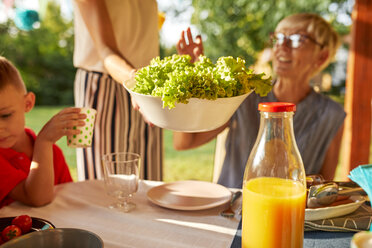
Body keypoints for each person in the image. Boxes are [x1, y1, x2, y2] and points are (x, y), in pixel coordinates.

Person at [174, 13, 346, 188]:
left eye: (296, 39)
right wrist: (190, 82)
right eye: (278, 38)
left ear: (322, 57)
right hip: (230, 212)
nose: (281, 46)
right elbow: (185, 142)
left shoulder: (332, 115)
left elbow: (322, 190)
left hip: (287, 214)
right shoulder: (244, 95)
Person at [73, 0, 163, 181]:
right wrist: (134, 80)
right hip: (99, 85)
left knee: (150, 185)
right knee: (102, 187)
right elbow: (105, 50)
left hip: (147, 86)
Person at [0, 56, 86, 207]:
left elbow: (71, 200)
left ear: (28, 103)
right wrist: (44, 142)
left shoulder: (53, 154)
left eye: (5, 115)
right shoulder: (45, 148)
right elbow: (36, 198)